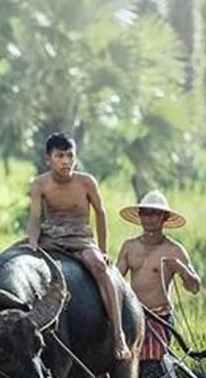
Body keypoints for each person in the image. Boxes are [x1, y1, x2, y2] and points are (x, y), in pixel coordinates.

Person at [27, 132, 132, 361]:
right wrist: (33, 241)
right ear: (48, 159)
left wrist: (103, 250)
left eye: (70, 155)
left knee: (101, 269)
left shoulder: (86, 182)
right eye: (60, 156)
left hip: (80, 238)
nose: (66, 161)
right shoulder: (39, 184)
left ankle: (118, 334)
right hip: (52, 236)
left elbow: (101, 213)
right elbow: (35, 217)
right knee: (15, 256)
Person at [116, 190, 201, 378]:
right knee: (124, 367)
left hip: (159, 318)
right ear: (140, 217)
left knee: (154, 372)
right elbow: (116, 281)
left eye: (155, 214)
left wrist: (182, 269)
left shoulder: (174, 250)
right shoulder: (130, 247)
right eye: (145, 213)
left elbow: (195, 287)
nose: (149, 218)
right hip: (133, 317)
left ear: (164, 218)